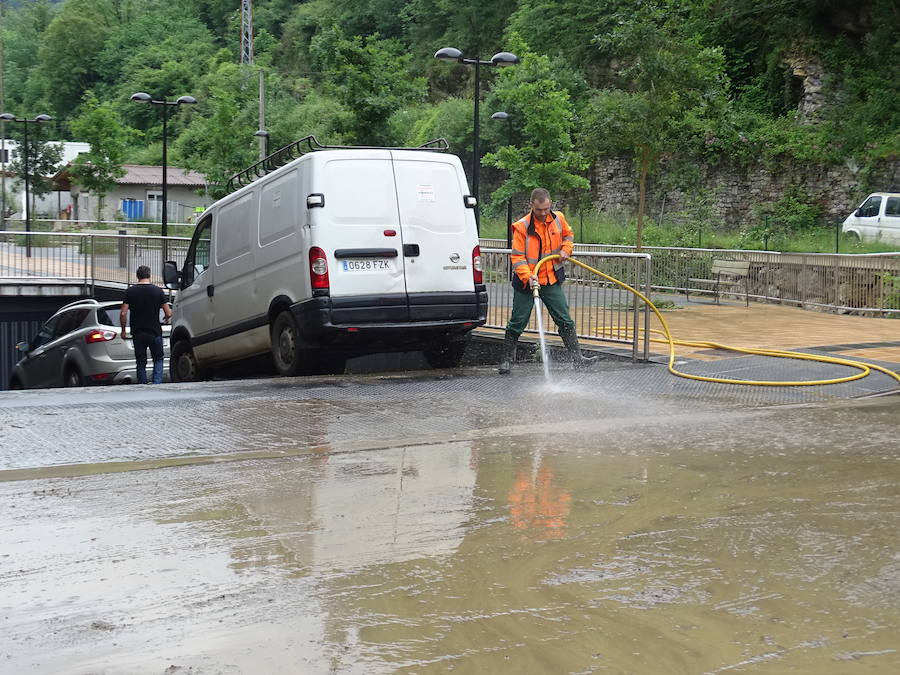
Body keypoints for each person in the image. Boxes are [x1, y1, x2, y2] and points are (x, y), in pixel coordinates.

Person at [499, 188, 596, 374]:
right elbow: (518, 257)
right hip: (527, 282)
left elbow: (568, 236)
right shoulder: (522, 227)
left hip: (551, 280)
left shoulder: (558, 219)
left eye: (546, 209)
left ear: (550, 204)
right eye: (539, 210)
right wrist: (528, 276)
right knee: (518, 321)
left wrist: (566, 250)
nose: (543, 213)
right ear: (531, 206)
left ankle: (577, 358)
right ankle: (506, 359)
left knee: (565, 319)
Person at [121, 265, 172, 384]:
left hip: (138, 333)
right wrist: (166, 318)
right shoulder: (158, 291)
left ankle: (142, 384)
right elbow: (168, 312)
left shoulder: (130, 291)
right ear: (149, 275)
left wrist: (123, 330)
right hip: (154, 331)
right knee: (158, 359)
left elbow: (123, 313)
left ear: (137, 276)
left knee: (141, 361)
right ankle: (156, 383)